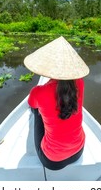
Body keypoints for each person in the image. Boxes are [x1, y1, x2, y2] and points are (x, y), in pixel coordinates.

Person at [23, 36, 90, 170]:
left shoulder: (38, 92)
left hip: (53, 161)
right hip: (78, 150)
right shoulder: (79, 83)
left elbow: (31, 104)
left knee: (36, 111)